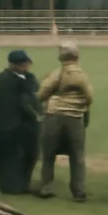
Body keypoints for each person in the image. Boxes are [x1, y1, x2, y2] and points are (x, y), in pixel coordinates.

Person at [36, 42, 93, 202]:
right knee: (77, 156)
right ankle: (79, 191)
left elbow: (41, 94)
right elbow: (89, 97)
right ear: (77, 56)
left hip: (54, 116)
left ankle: (46, 187)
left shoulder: (56, 74)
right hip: (75, 118)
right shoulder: (82, 75)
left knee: (48, 154)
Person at [0, 50, 41, 195]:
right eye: (23, 65)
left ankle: (23, 184)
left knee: (28, 155)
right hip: (10, 125)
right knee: (10, 157)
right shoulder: (5, 80)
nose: (27, 67)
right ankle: (10, 186)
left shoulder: (26, 78)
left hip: (26, 126)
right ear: (14, 65)